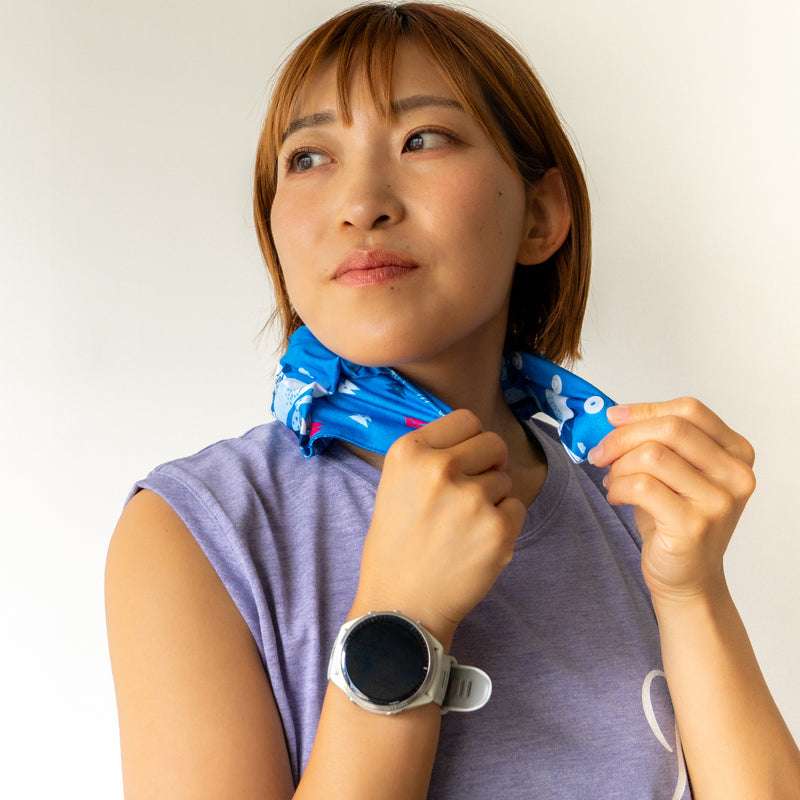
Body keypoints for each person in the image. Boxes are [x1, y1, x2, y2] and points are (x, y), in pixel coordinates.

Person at [104, 3, 800, 798]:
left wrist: (691, 591)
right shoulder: (199, 532)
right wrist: (401, 623)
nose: (361, 202)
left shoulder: (633, 508)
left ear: (540, 216)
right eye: (309, 157)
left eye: (422, 139)